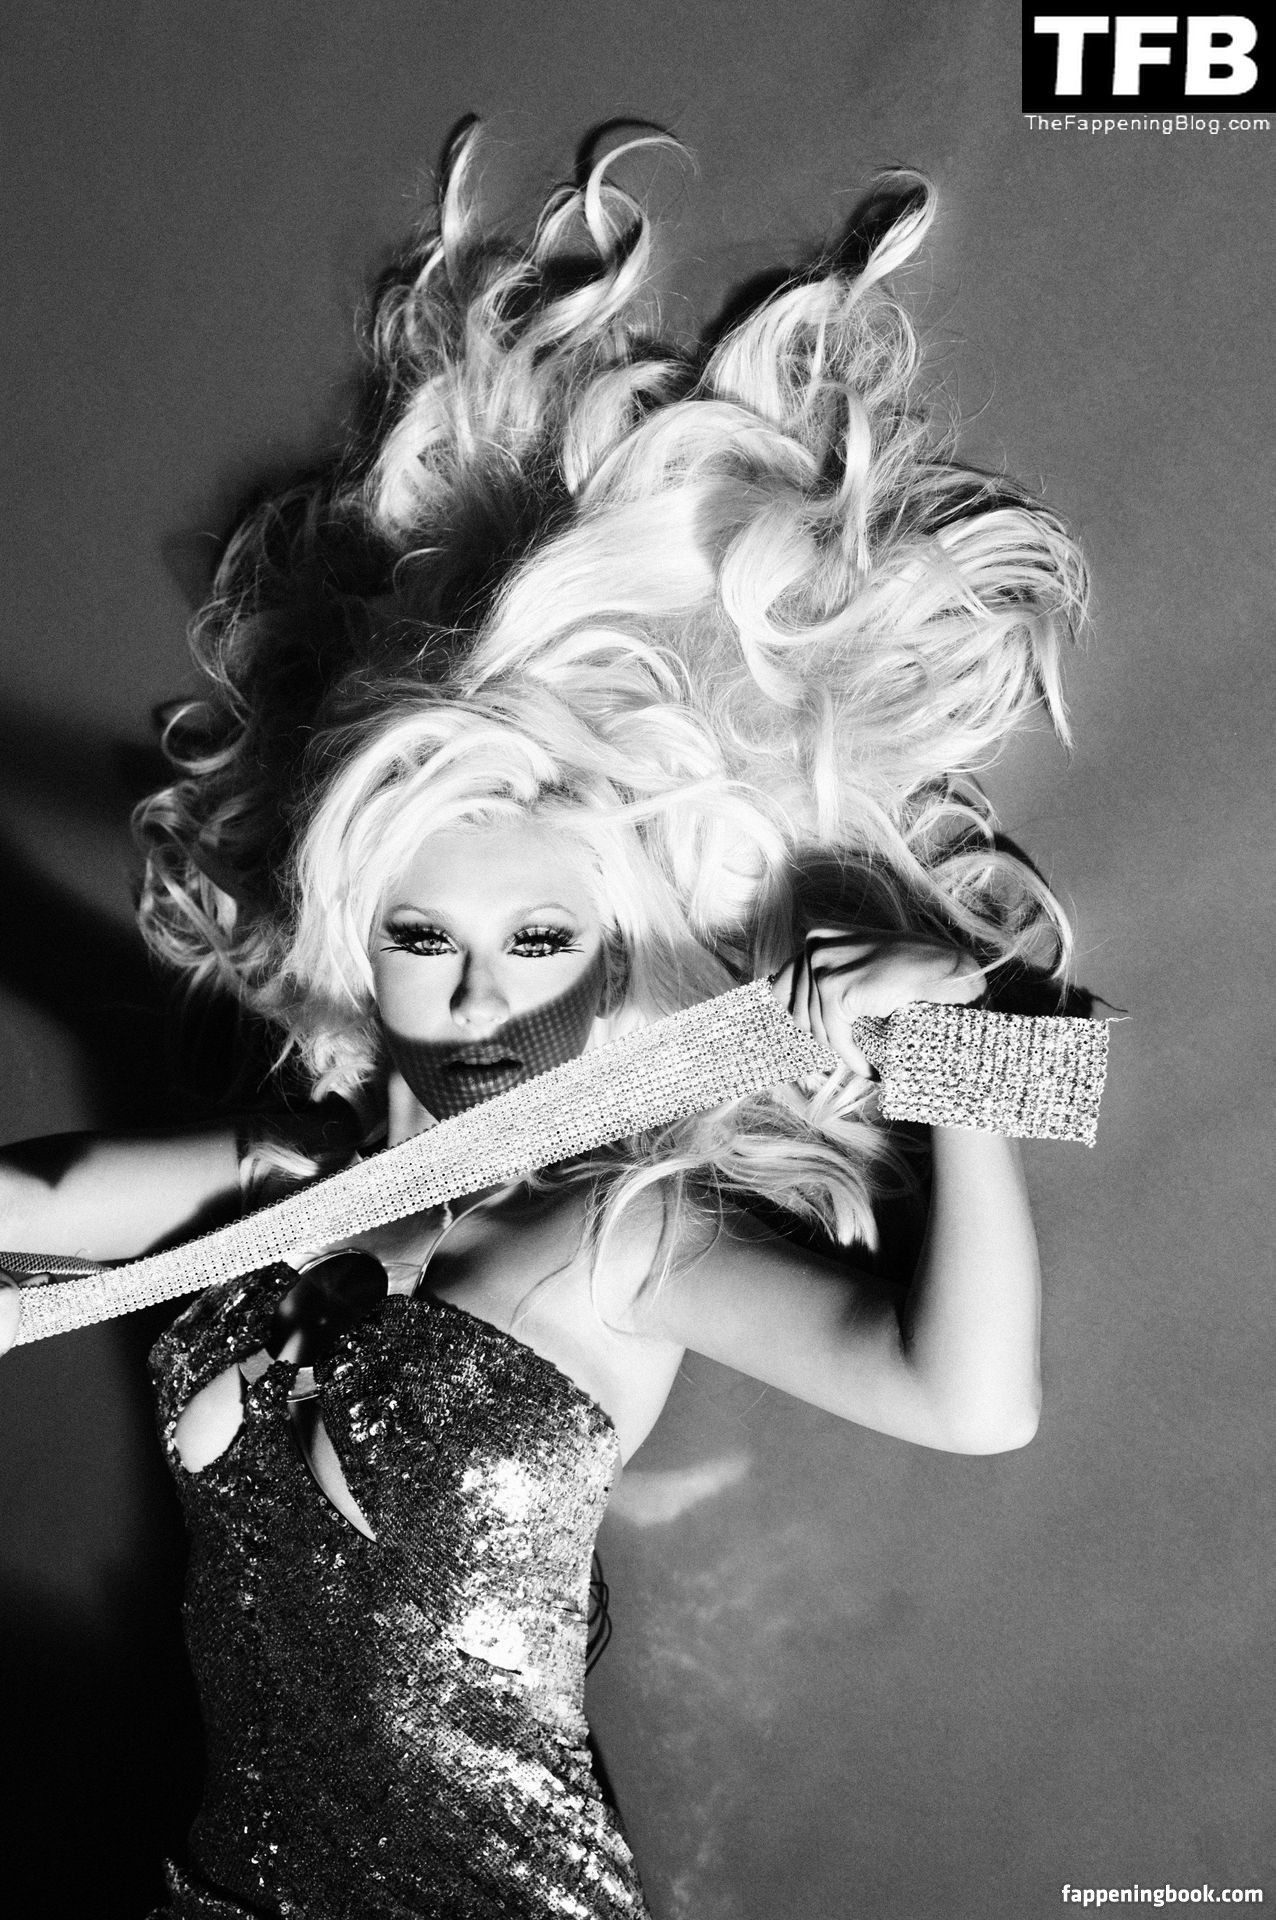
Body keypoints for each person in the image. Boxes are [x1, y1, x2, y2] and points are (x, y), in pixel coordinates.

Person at [0, 128, 1091, 1919]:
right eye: (422, 936)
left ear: (619, 950)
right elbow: (26, 1206)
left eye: (538, 938)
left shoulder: (620, 1238)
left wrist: (951, 1039)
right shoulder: (278, 1181)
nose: (480, 993)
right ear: (352, 945)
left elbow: (970, 1404)